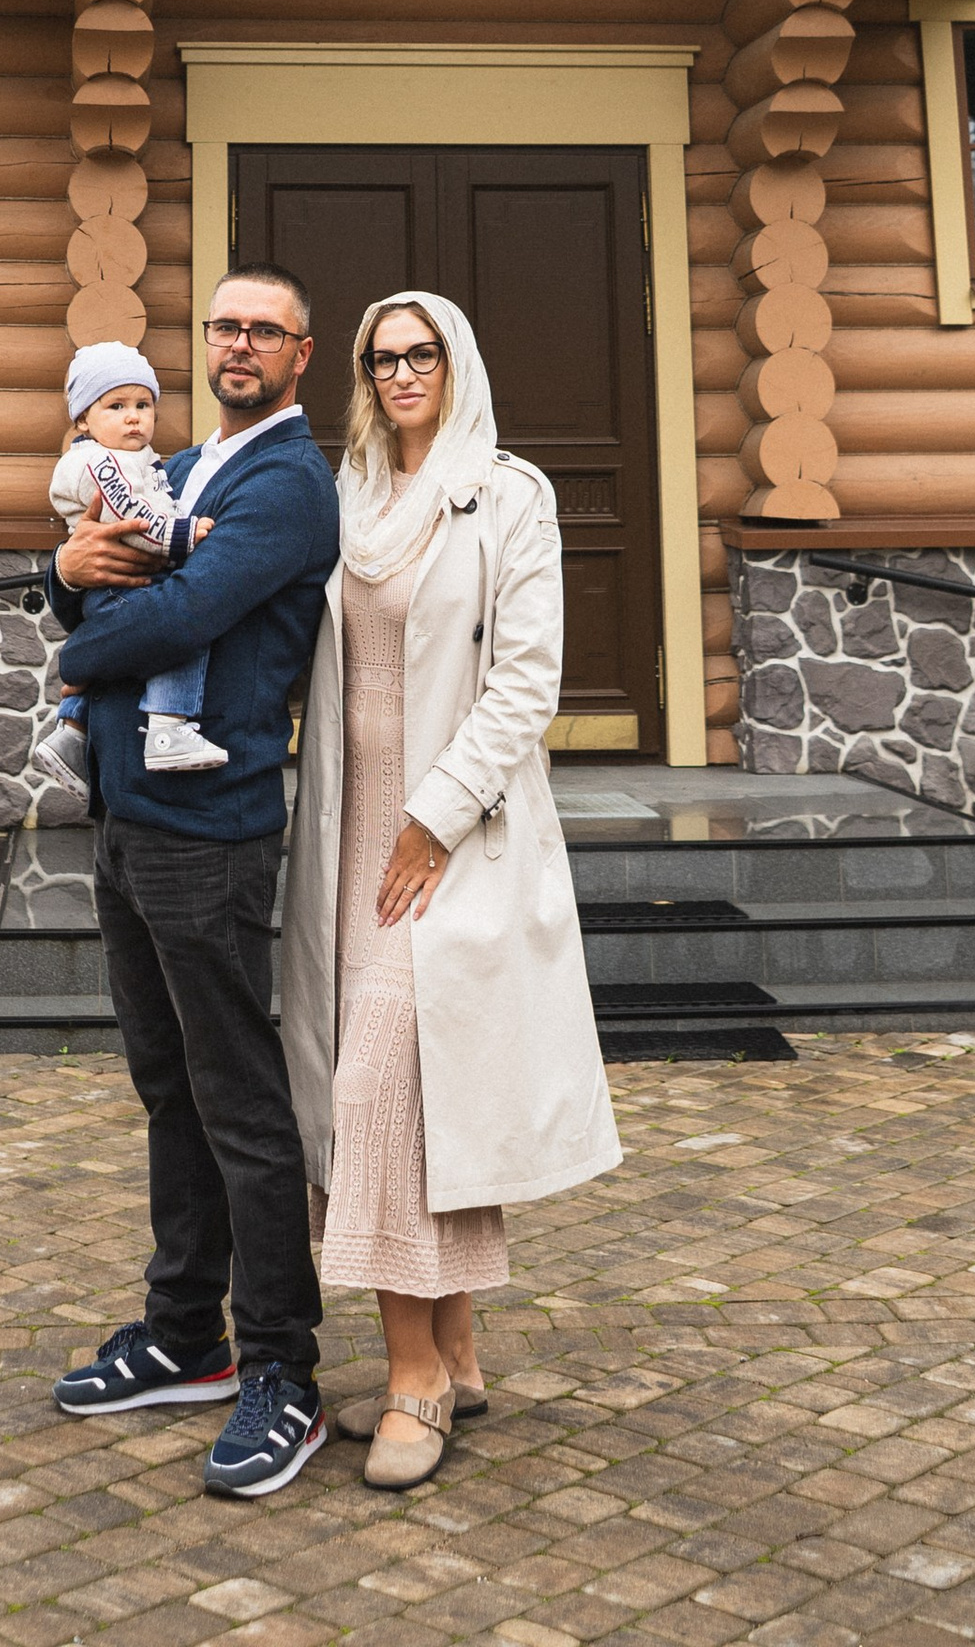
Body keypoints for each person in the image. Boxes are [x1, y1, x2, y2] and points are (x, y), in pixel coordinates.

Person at [280, 288, 620, 1492]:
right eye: (382, 359)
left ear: (456, 361)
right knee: (395, 1094)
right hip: (344, 826)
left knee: (385, 1091)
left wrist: (433, 816)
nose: (401, 373)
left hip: (448, 835)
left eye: (420, 354)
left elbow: (529, 684)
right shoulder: (347, 499)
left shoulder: (508, 497)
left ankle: (412, 1374)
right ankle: (461, 1352)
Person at [48, 269, 342, 1502]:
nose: (238, 344)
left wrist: (76, 621)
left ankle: (284, 1367)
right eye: (223, 326)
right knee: (167, 1084)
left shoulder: (287, 484)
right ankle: (186, 1336)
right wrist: (71, 565)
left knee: (237, 1098)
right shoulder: (184, 465)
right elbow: (100, 574)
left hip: (209, 826)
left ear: (300, 353)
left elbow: (175, 618)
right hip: (127, 809)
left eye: (263, 329)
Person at [33, 340, 224, 788]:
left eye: (143, 404)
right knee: (177, 634)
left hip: (121, 580)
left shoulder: (139, 459)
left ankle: (71, 731)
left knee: (119, 649)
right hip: (120, 585)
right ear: (83, 418)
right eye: (115, 406)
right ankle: (167, 729)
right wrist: (182, 534)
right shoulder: (96, 461)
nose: (133, 416)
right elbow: (127, 516)